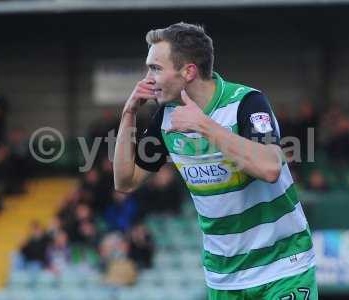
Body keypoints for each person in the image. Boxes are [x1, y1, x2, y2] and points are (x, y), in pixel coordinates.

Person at [113, 22, 317, 299]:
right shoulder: (166, 118)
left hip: (282, 268)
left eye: (155, 68)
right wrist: (128, 114)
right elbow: (125, 181)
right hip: (224, 277)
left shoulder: (247, 102)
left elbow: (270, 168)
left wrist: (204, 125)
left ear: (188, 71)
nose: (147, 79)